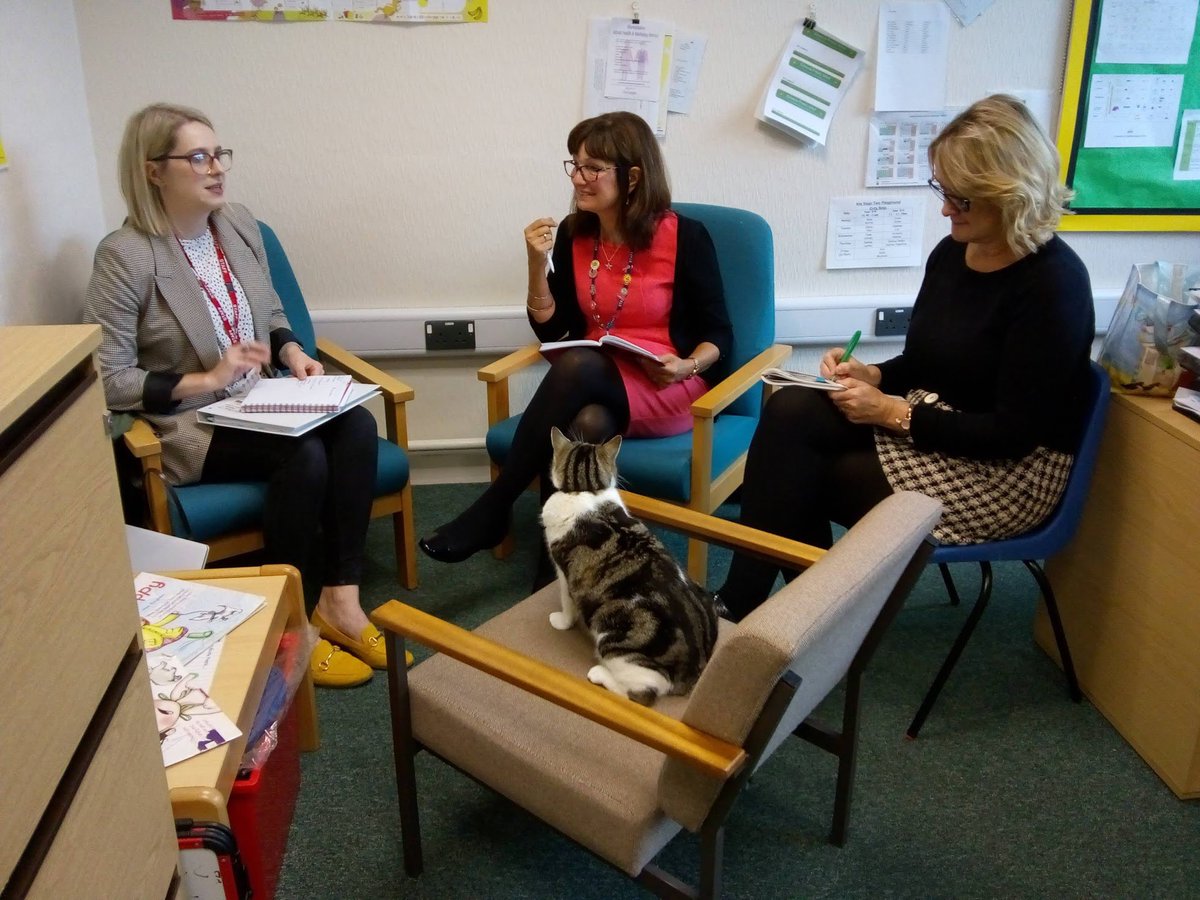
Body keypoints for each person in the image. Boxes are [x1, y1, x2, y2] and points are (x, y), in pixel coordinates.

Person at [716, 94, 1096, 621]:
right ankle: (777, 612)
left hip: (1007, 473)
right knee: (791, 410)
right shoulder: (952, 254)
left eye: (961, 198)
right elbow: (923, 362)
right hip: (937, 424)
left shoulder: (1055, 285)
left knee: (805, 475)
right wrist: (873, 374)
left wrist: (893, 412)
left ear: (1009, 192)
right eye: (943, 190)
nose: (945, 209)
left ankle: (797, 619)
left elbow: (1013, 434)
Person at [85, 102, 397, 688]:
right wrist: (204, 381)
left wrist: (291, 353)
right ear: (153, 171)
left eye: (218, 154)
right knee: (300, 456)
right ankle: (292, 626)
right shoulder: (124, 256)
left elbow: (271, 310)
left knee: (356, 427)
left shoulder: (238, 224)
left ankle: (341, 601)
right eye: (197, 157)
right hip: (191, 420)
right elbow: (108, 377)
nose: (215, 168)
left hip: (261, 399)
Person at [419, 111, 732, 583]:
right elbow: (555, 328)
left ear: (633, 177)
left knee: (581, 365)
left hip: (665, 385)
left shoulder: (684, 236)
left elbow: (721, 335)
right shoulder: (573, 233)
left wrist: (686, 365)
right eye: (575, 165)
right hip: (595, 383)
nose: (579, 179)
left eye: (593, 168)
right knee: (584, 423)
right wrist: (534, 262)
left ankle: (494, 508)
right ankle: (554, 571)